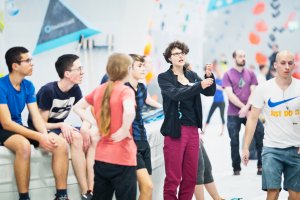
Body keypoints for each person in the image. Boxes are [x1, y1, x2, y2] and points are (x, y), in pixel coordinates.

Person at [0, 47, 69, 200]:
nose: (32, 64)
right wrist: (39, 137)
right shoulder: (1, 86)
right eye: (28, 60)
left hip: (16, 126)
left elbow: (36, 117)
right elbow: (6, 124)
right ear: (15, 66)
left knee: (60, 144)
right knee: (23, 146)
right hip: (2, 128)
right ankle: (24, 198)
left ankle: (62, 196)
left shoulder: (28, 86)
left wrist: (45, 135)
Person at [27, 54, 99, 200]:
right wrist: (62, 124)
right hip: (42, 128)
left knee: (85, 136)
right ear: (67, 73)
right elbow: (40, 123)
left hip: (60, 127)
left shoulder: (75, 90)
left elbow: (85, 113)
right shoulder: (48, 91)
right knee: (74, 137)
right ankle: (76, 192)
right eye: (79, 68)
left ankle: (88, 191)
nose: (82, 71)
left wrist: (85, 127)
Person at [73, 53, 137, 200]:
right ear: (127, 69)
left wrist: (96, 122)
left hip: (102, 159)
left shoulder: (99, 89)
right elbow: (129, 112)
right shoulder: (126, 91)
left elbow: (77, 107)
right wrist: (124, 129)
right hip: (123, 158)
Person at [158, 41, 216, 200]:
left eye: (182, 53)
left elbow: (209, 92)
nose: (180, 56)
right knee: (173, 178)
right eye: (176, 53)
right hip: (175, 131)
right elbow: (176, 94)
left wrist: (209, 77)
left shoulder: (191, 75)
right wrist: (199, 86)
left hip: (193, 131)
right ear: (169, 58)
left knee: (191, 178)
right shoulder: (164, 78)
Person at [242, 50, 300, 200]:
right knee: (272, 193)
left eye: (290, 63)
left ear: (294, 65)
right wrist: (245, 147)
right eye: (283, 63)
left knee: (295, 196)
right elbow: (253, 118)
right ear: (275, 65)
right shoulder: (264, 88)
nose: (287, 66)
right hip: (272, 149)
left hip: (296, 150)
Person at [126, 54, 162, 200]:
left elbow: (147, 100)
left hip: (143, 140)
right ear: (129, 68)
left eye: (144, 65)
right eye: (140, 66)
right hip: (130, 143)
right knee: (147, 186)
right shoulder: (122, 90)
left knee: (147, 189)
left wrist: (165, 108)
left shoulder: (141, 87)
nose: (144, 68)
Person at [222, 50, 264, 175]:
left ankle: (261, 166)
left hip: (250, 113)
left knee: (260, 135)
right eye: (240, 56)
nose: (243, 58)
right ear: (234, 58)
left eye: (244, 56)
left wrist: (247, 108)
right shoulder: (228, 74)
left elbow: (253, 92)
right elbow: (230, 94)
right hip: (233, 114)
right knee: (234, 141)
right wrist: (243, 107)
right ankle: (236, 168)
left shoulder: (251, 74)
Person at [203, 60, 226, 135]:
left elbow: (223, 88)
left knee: (222, 116)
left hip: (221, 102)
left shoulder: (223, 81)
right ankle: (204, 129)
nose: (218, 73)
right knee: (209, 115)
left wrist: (216, 86)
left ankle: (223, 131)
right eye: (217, 71)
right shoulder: (215, 80)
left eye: (220, 71)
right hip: (215, 101)